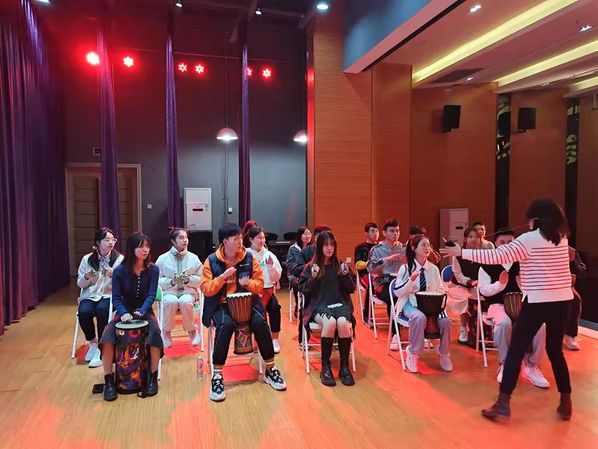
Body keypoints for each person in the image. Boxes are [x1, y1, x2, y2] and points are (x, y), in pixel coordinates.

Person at [442, 199, 574, 421]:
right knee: (555, 352)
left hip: (537, 301)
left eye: (530, 219)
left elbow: (496, 255)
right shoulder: (561, 239)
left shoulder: (529, 239)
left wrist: (462, 252)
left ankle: (503, 404)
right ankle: (566, 401)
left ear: (537, 218)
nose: (528, 223)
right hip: (562, 302)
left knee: (515, 351)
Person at [200, 223, 286, 402]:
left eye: (241, 237)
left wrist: (248, 284)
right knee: (225, 325)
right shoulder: (211, 260)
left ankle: (270, 369)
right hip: (222, 305)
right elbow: (206, 289)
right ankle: (217, 375)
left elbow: (260, 284)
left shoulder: (248, 256)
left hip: (247, 301)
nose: (241, 241)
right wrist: (222, 278)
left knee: (260, 322)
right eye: (236, 238)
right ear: (225, 242)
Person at [478, 228, 549, 388]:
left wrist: (523, 286)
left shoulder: (525, 263)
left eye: (510, 242)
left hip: (522, 305)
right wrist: (500, 284)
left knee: (541, 326)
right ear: (496, 244)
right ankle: (506, 364)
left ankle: (532, 366)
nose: (506, 245)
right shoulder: (487, 265)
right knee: (504, 323)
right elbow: (483, 290)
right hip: (497, 305)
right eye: (502, 242)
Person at [99, 232, 163, 401]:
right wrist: (123, 313)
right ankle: (108, 380)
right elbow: (116, 298)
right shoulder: (119, 271)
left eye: (147, 246)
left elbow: (151, 294)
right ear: (131, 249)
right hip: (124, 311)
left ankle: (153, 378)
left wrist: (142, 310)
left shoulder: (153, 269)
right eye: (141, 247)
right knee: (107, 336)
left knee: (155, 333)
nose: (145, 250)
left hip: (145, 311)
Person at [299, 231, 356, 386]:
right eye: (326, 245)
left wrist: (345, 275)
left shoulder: (340, 265)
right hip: (319, 304)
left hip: (340, 303)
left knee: (343, 323)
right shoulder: (311, 267)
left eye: (332, 245)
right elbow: (303, 290)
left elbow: (351, 289)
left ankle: (344, 366)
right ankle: (326, 366)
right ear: (320, 247)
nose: (329, 248)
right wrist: (312, 277)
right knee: (330, 322)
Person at [391, 236, 452, 373]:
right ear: (414, 248)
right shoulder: (405, 268)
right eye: (423, 245)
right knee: (419, 317)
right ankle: (413, 352)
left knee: (446, 321)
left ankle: (444, 352)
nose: (427, 248)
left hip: (432, 305)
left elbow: (440, 288)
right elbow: (397, 292)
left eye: (428, 245)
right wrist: (410, 281)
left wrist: (437, 295)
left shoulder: (434, 269)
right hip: (410, 303)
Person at [76, 227, 123, 368]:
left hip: (109, 295)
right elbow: (80, 284)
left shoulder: (119, 259)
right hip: (91, 294)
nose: (111, 242)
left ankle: (102, 348)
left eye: (113, 239)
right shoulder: (87, 259)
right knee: (84, 312)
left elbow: (124, 283)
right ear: (98, 242)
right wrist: (86, 277)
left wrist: (114, 275)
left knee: (102, 310)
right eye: (107, 240)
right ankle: (93, 343)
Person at [155, 228, 202, 348]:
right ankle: (166, 332)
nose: (185, 240)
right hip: (169, 292)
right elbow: (155, 281)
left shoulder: (194, 258)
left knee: (185, 301)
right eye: (181, 238)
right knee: (170, 301)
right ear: (173, 241)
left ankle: (192, 331)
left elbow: (202, 279)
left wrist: (188, 280)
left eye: (186, 237)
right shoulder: (162, 259)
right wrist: (170, 282)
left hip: (188, 292)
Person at [367, 219, 405, 350]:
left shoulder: (403, 248)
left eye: (397, 231)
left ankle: (423, 335)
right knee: (393, 296)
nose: (395, 234)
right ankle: (396, 334)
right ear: (384, 233)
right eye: (392, 231)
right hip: (383, 283)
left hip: (401, 281)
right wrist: (387, 260)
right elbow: (370, 269)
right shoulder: (377, 249)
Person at [246, 225, 283, 353]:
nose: (262, 240)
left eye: (263, 238)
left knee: (275, 308)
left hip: (267, 291)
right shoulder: (245, 254)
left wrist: (271, 268)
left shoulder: (269, 255)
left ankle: (275, 339)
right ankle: (252, 339)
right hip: (251, 292)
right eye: (258, 238)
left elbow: (276, 277)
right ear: (251, 239)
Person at [447, 226, 482, 344]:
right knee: (466, 299)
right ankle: (463, 329)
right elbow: (458, 275)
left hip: (476, 285)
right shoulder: (458, 255)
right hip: (459, 285)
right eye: (471, 236)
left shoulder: (481, 254)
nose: (474, 239)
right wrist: (470, 282)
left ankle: (477, 329)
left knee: (482, 298)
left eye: (476, 237)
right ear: (465, 239)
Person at [354, 222, 379, 322]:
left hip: (380, 274)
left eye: (376, 231)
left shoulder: (381, 247)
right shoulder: (360, 248)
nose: (375, 233)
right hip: (365, 275)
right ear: (366, 233)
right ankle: (367, 314)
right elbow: (357, 264)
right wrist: (369, 264)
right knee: (372, 283)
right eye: (372, 231)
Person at [285, 226, 312, 318]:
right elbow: (290, 265)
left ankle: (310, 305)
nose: (308, 236)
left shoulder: (313, 248)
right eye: (305, 234)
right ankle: (299, 303)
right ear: (300, 236)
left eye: (309, 234)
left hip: (309, 274)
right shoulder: (293, 249)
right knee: (297, 283)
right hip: (295, 274)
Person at [565, 246, 586, 350]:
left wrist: (572, 261)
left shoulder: (571, 251)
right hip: (547, 285)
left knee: (575, 299)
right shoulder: (544, 248)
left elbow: (582, 271)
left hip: (566, 286)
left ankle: (570, 335)